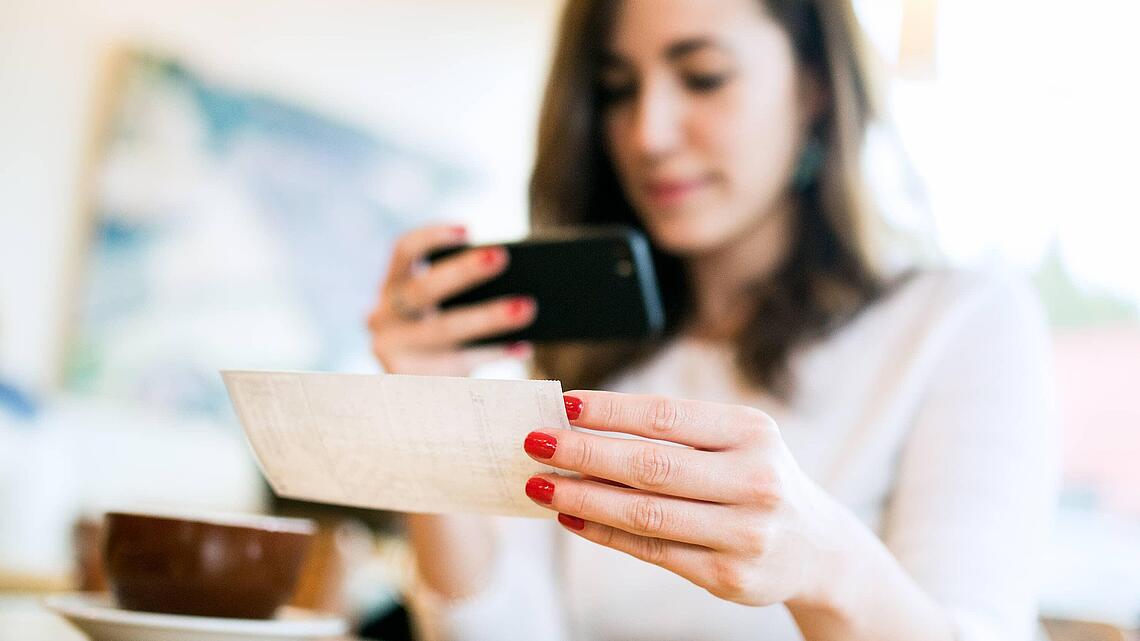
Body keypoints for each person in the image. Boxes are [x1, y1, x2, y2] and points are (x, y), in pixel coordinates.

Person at [366, 1, 1057, 639]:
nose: (647, 134)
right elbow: (503, 631)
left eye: (703, 77)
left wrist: (826, 566)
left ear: (814, 88)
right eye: (616, 89)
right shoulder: (591, 354)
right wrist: (438, 422)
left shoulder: (960, 323)